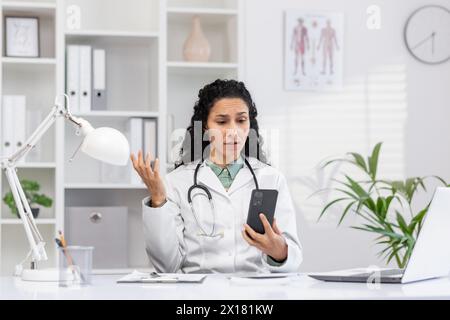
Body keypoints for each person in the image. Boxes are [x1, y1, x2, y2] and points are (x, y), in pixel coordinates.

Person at [131, 79, 302, 273]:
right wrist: (158, 200)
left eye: (241, 120)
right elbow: (166, 266)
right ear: (205, 126)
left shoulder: (271, 179)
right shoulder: (177, 182)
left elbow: (293, 259)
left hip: (255, 295)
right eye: (221, 121)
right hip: (199, 295)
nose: (232, 131)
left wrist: (277, 250)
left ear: (249, 123)